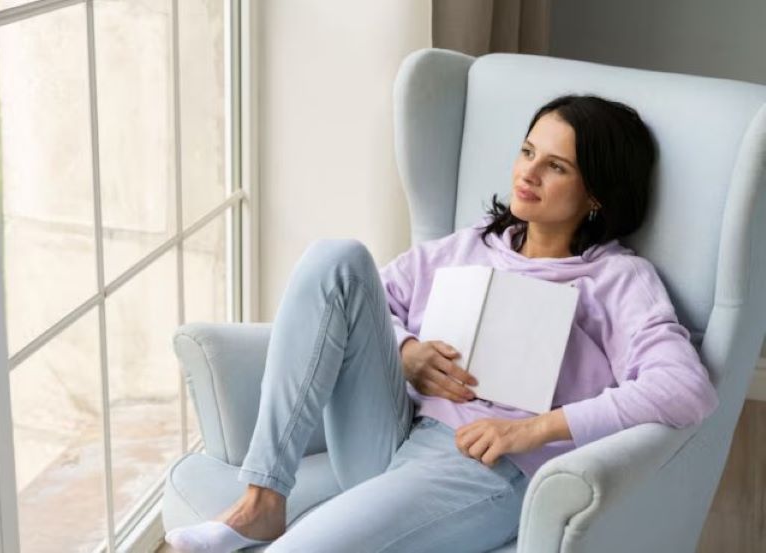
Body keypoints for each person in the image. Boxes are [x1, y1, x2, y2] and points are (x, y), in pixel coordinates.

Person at [165, 94, 720, 553]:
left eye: (556, 166)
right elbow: (367, 300)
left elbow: (684, 388)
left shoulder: (617, 279)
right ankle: (263, 498)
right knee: (335, 258)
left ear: (595, 194)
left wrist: (533, 429)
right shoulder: (473, 244)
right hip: (395, 432)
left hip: (488, 469)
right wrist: (405, 348)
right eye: (528, 151)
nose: (528, 173)